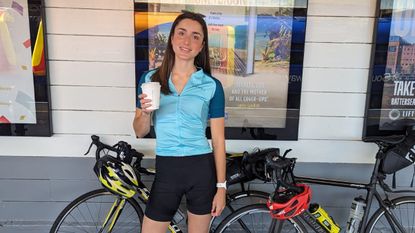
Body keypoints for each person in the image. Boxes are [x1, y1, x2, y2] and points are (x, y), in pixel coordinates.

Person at [133, 11, 226, 233]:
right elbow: (139, 131)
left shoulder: (212, 85)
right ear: (172, 38)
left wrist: (221, 187)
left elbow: (219, 140)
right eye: (181, 33)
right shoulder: (150, 79)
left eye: (195, 36)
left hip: (201, 169)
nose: (187, 41)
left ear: (202, 45)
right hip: (167, 168)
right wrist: (145, 113)